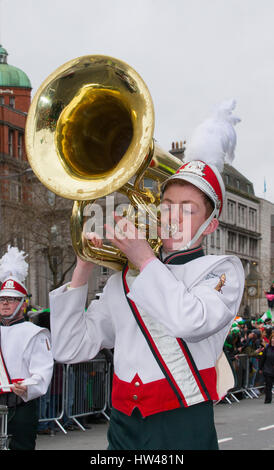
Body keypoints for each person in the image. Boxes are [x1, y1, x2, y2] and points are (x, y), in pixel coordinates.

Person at [49, 99, 245, 450]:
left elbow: (189, 320)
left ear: (210, 224)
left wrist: (142, 256)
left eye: (189, 210)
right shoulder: (126, 278)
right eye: (167, 205)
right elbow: (69, 348)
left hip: (183, 426)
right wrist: (84, 264)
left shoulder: (222, 271)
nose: (172, 216)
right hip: (122, 427)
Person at [0, 246, 54, 450]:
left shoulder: (35, 333)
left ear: (23, 304)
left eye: (12, 299)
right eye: (3, 299)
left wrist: (29, 386)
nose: (5, 304)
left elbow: (42, 370)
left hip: (19, 404)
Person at [259, 333, 274, 403]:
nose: (273, 340)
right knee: (268, 385)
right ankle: (268, 399)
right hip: (268, 369)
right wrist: (260, 368)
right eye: (272, 338)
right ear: (270, 339)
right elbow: (263, 358)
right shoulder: (267, 348)